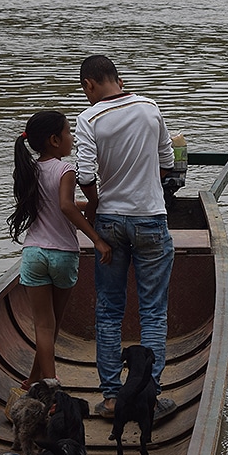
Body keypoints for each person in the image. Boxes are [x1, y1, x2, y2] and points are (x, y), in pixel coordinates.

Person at [74, 55, 178, 420]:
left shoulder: (89, 119)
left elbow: (85, 174)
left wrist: (98, 201)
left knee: (108, 311)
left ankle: (113, 398)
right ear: (118, 78)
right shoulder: (150, 108)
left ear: (89, 85)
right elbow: (167, 162)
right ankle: (148, 396)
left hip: (110, 223)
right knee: (153, 313)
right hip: (151, 219)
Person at [6, 110, 112, 404]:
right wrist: (97, 239)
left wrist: (83, 204)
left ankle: (34, 379)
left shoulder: (28, 170)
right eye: (68, 132)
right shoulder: (66, 170)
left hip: (34, 253)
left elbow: (52, 203)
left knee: (43, 325)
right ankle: (51, 392)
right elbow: (65, 206)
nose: (71, 138)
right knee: (52, 324)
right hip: (63, 253)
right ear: (54, 140)